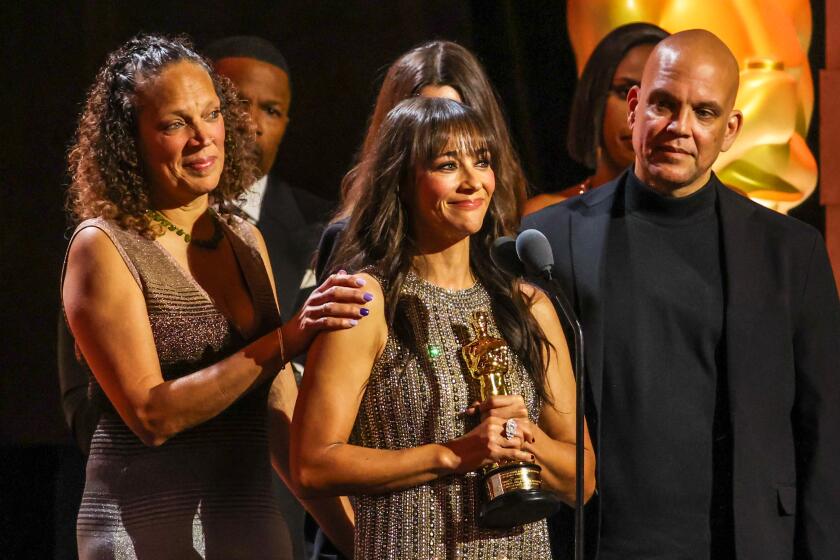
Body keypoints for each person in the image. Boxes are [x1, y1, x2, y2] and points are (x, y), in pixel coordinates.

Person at [523, 29, 840, 559]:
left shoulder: (791, 253)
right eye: (663, 104)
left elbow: (825, 432)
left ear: (731, 129)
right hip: (596, 543)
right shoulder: (555, 239)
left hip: (747, 543)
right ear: (633, 107)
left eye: (705, 112)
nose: (680, 128)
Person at [61, 34, 359, 558]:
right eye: (175, 123)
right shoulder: (103, 246)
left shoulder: (246, 240)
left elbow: (279, 413)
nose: (205, 138)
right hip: (145, 535)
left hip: (251, 530)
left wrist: (364, 542)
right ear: (129, 141)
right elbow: (152, 416)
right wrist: (287, 339)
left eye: (212, 114)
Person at [291, 96, 595, 559]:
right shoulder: (366, 302)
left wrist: (521, 434)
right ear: (402, 181)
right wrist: (452, 454)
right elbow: (312, 465)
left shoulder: (529, 305)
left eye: (482, 161)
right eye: (448, 164)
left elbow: (583, 479)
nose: (473, 181)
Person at [316, 40, 529, 280]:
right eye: (427, 119)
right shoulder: (354, 243)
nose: (446, 129)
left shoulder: (503, 235)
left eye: (457, 116)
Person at [524, 22, 668, 215]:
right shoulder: (547, 216)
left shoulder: (718, 212)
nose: (641, 113)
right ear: (595, 96)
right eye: (625, 91)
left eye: (662, 99)